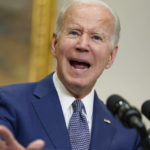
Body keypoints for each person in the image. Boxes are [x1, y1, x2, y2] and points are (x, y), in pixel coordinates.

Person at [0, 0, 143, 150]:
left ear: (111, 56)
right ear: (55, 44)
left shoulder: (128, 134)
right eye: (74, 33)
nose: (82, 45)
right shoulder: (8, 102)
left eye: (96, 37)